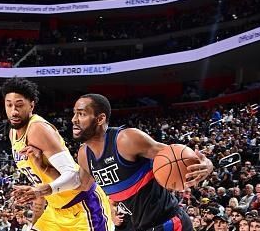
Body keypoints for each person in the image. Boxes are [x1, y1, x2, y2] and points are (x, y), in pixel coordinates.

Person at [72, 93, 214, 231]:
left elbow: (179, 156)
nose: (74, 119)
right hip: (137, 225)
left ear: (100, 119)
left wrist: (207, 164)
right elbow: (85, 187)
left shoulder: (126, 140)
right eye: (74, 114)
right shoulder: (84, 155)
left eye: (81, 114)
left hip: (167, 222)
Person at [0, 77, 113, 231]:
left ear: (31, 105)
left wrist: (39, 190)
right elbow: (43, 178)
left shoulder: (37, 129)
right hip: (55, 211)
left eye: (19, 105)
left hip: (83, 207)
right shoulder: (13, 133)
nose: (13, 111)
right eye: (9, 105)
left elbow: (75, 178)